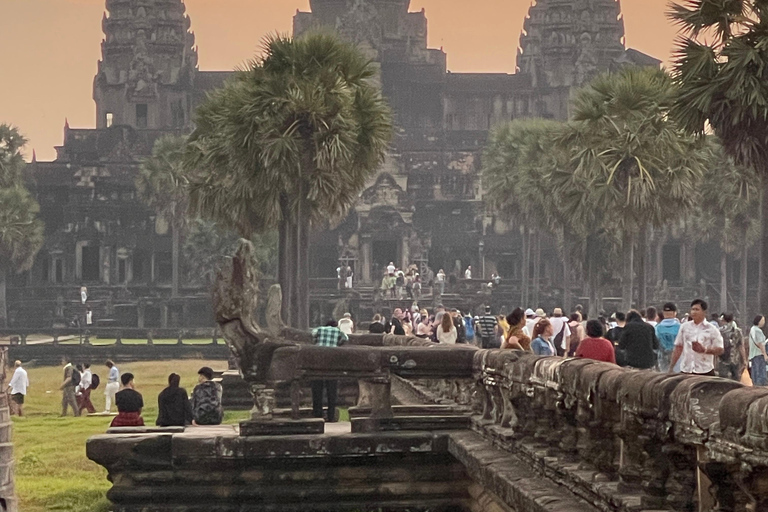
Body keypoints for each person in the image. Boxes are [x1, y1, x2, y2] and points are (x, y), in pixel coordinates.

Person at [669, 299, 724, 376]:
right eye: (692, 309)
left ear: (704, 312)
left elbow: (720, 349)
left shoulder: (712, 329)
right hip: (686, 370)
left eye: (697, 309)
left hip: (705, 370)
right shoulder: (684, 327)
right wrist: (672, 366)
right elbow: (678, 347)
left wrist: (705, 350)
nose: (694, 312)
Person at [310, 320, 347, 422]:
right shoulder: (338, 331)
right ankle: (331, 415)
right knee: (332, 391)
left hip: (317, 363)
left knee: (317, 389)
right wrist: (338, 344)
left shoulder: (320, 329)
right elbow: (345, 338)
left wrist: (316, 341)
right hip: (332, 363)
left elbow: (312, 334)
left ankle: (317, 413)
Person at [717, 313, 747, 381]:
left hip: (723, 359)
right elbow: (741, 346)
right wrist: (744, 360)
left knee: (722, 380)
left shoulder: (720, 331)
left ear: (723, 320)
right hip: (735, 358)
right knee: (736, 379)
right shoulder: (738, 331)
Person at [655, 303, 681, 372]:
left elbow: (655, 343)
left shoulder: (657, 328)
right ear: (675, 313)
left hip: (662, 357)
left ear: (663, 313)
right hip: (677, 358)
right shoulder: (680, 327)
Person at [748, 315, 768, 386]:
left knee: (755, 372)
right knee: (761, 373)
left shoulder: (752, 329)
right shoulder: (758, 331)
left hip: (753, 354)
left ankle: (755, 385)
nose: (764, 322)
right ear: (758, 321)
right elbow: (760, 343)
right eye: (762, 320)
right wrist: (765, 354)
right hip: (759, 354)